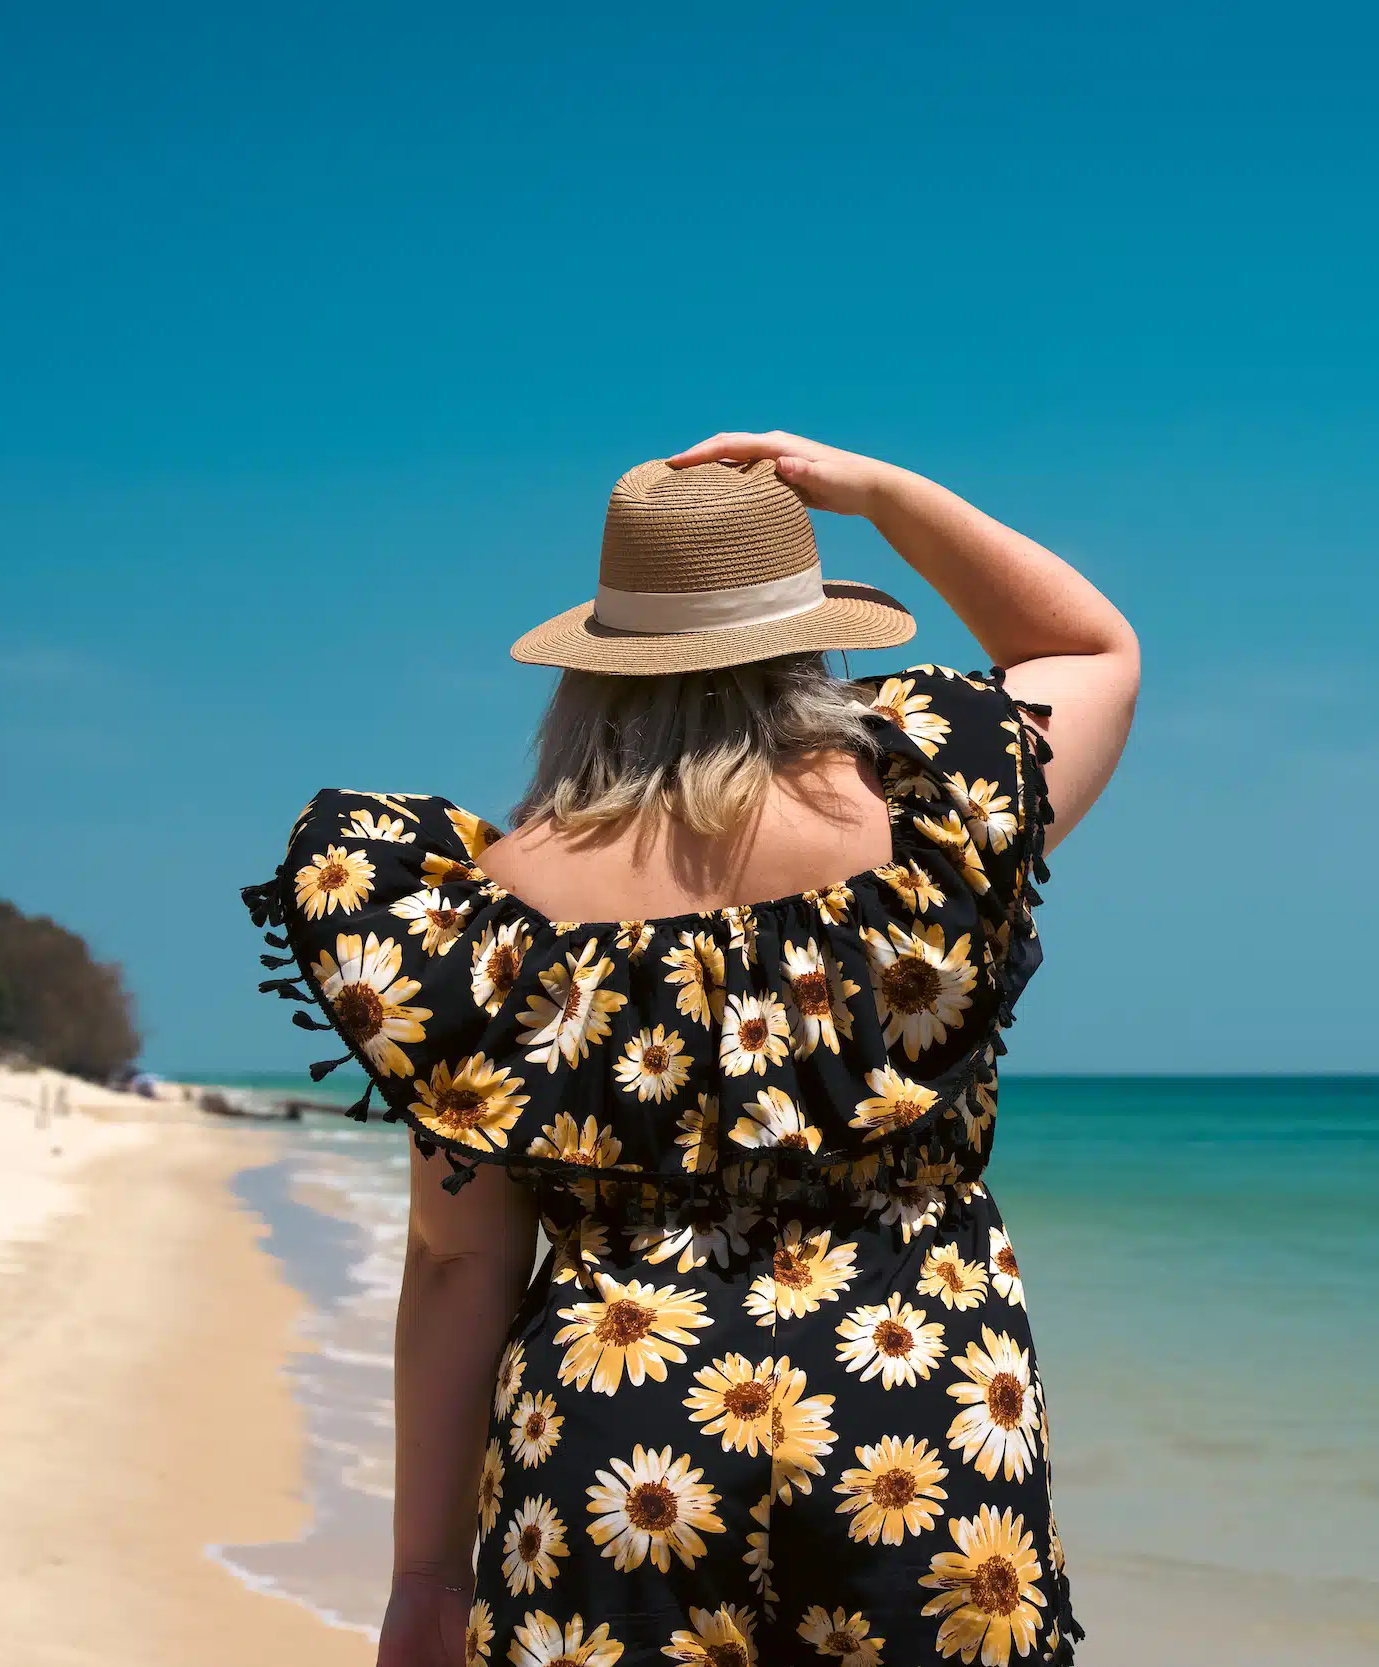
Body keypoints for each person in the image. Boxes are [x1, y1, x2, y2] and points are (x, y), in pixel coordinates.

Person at [245, 431, 1138, 1666]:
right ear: (813, 637)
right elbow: (1090, 648)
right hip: (912, 1414)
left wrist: (420, 1577)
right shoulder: (927, 816)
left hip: (616, 1434)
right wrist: (875, 492)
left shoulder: (492, 916)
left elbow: (460, 1266)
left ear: (596, 668)